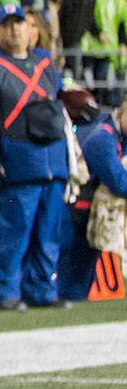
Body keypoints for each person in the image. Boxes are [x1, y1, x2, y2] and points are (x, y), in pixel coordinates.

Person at [0, 4, 69, 311]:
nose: (15, 30)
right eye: (7, 25)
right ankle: (3, 290)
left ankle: (41, 289)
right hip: (17, 163)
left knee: (47, 233)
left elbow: (59, 102)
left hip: (52, 161)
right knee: (13, 232)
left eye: (20, 23)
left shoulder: (45, 64)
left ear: (30, 27)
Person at [58, 97, 127, 301]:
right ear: (122, 113)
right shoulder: (102, 138)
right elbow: (118, 182)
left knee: (79, 284)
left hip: (89, 214)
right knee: (70, 283)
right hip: (77, 214)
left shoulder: (117, 136)